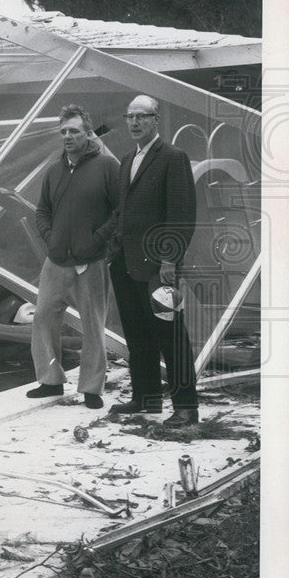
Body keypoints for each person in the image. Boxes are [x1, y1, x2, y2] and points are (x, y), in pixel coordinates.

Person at [107, 95, 200, 427]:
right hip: (127, 265)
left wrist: (169, 261)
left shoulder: (173, 158)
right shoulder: (126, 160)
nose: (134, 123)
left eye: (141, 117)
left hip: (160, 269)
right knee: (137, 335)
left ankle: (187, 408)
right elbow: (123, 212)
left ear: (156, 120)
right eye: (129, 117)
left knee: (171, 336)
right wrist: (113, 250)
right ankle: (145, 399)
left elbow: (182, 216)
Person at [27, 104, 119, 409]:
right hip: (56, 261)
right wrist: (51, 239)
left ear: (88, 133)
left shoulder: (106, 167)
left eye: (74, 131)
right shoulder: (54, 171)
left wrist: (98, 242)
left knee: (93, 325)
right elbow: (42, 211)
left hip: (90, 262)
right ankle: (50, 381)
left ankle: (92, 389)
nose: (67, 136)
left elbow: (120, 211)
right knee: (43, 317)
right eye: (63, 131)